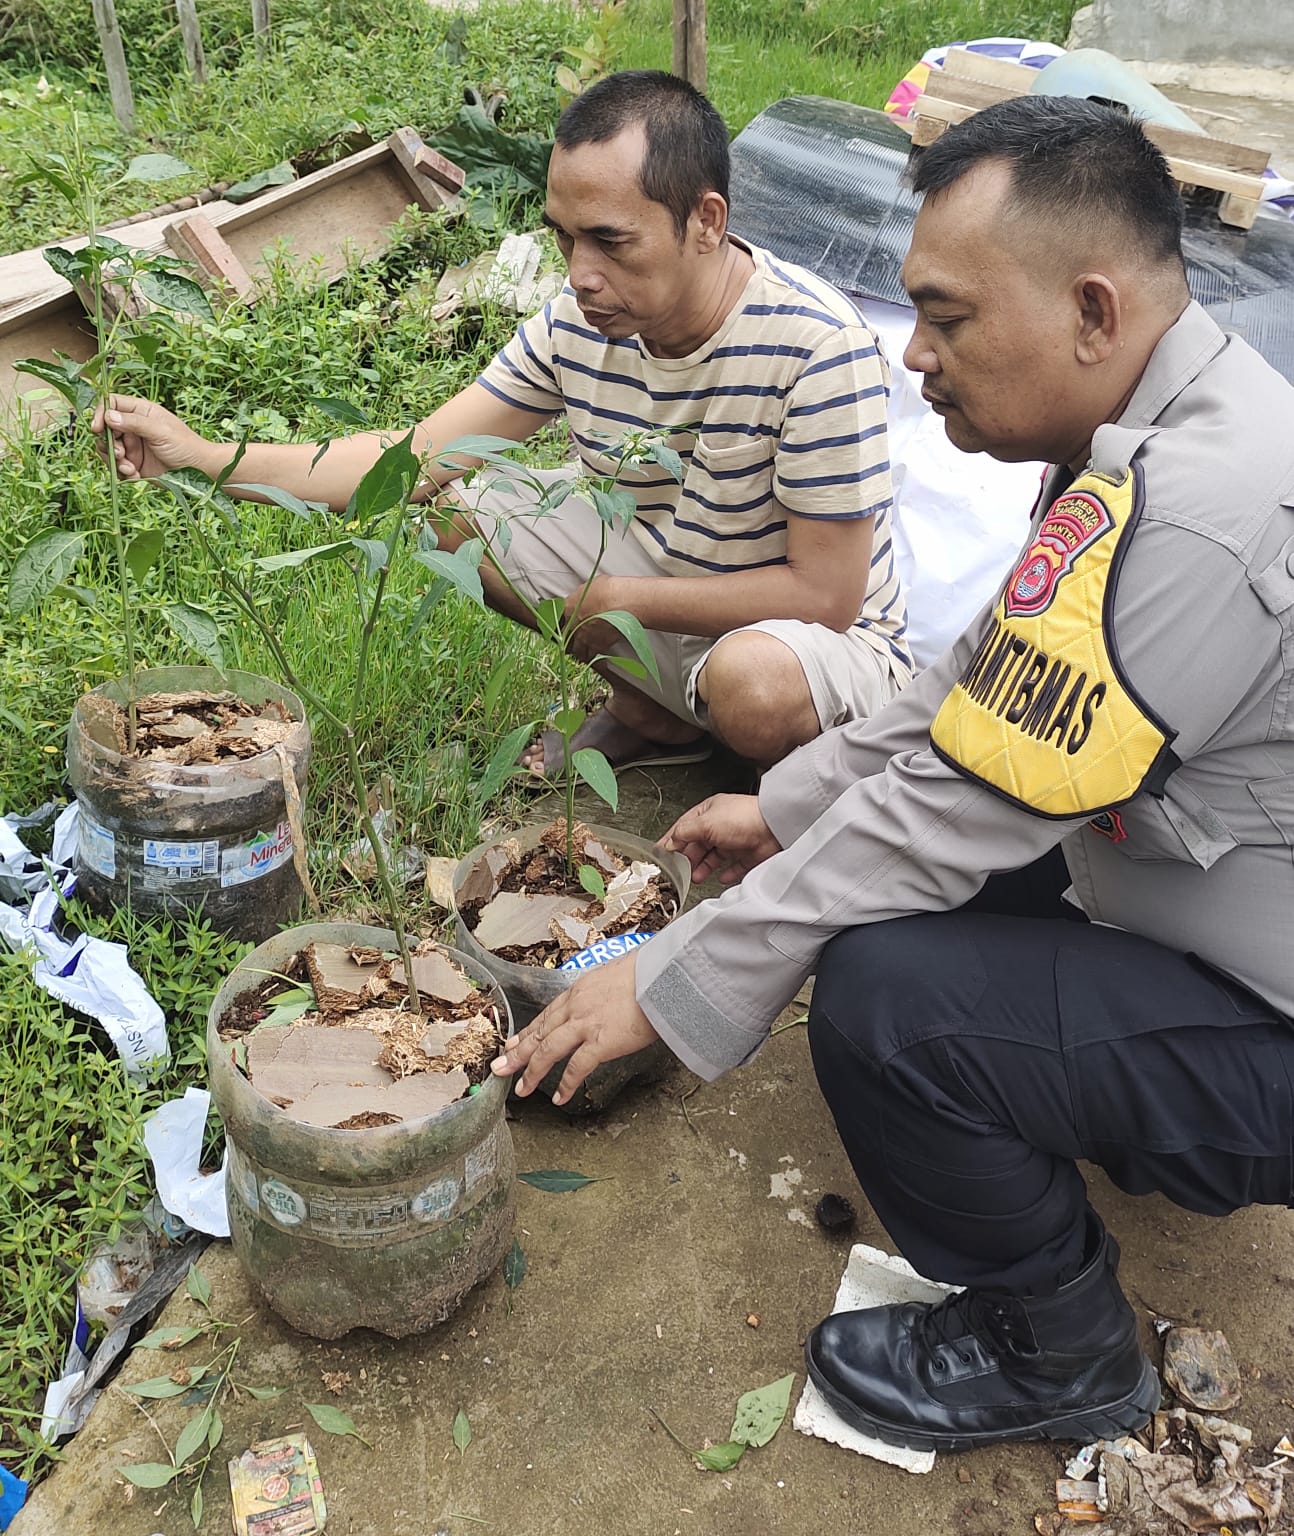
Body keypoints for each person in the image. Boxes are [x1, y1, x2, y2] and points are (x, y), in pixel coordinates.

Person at [495, 94, 1294, 1453]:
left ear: (1091, 311)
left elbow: (955, 807)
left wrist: (678, 982)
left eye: (948, 316)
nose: (912, 353)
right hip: (1203, 889)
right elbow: (968, 685)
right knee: (863, 886)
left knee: (883, 1000)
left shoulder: (1200, 506)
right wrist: (783, 805)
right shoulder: (1142, 427)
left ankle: (1059, 1349)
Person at [96, 70, 911, 772]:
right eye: (564, 239)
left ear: (706, 221)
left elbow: (826, 595)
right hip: (675, 582)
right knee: (457, 514)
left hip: (810, 639)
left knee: (753, 690)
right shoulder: (579, 323)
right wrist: (203, 458)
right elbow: (408, 460)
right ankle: (653, 712)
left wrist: (618, 593)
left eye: (610, 241)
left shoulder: (815, 347)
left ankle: (792, 779)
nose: (581, 275)